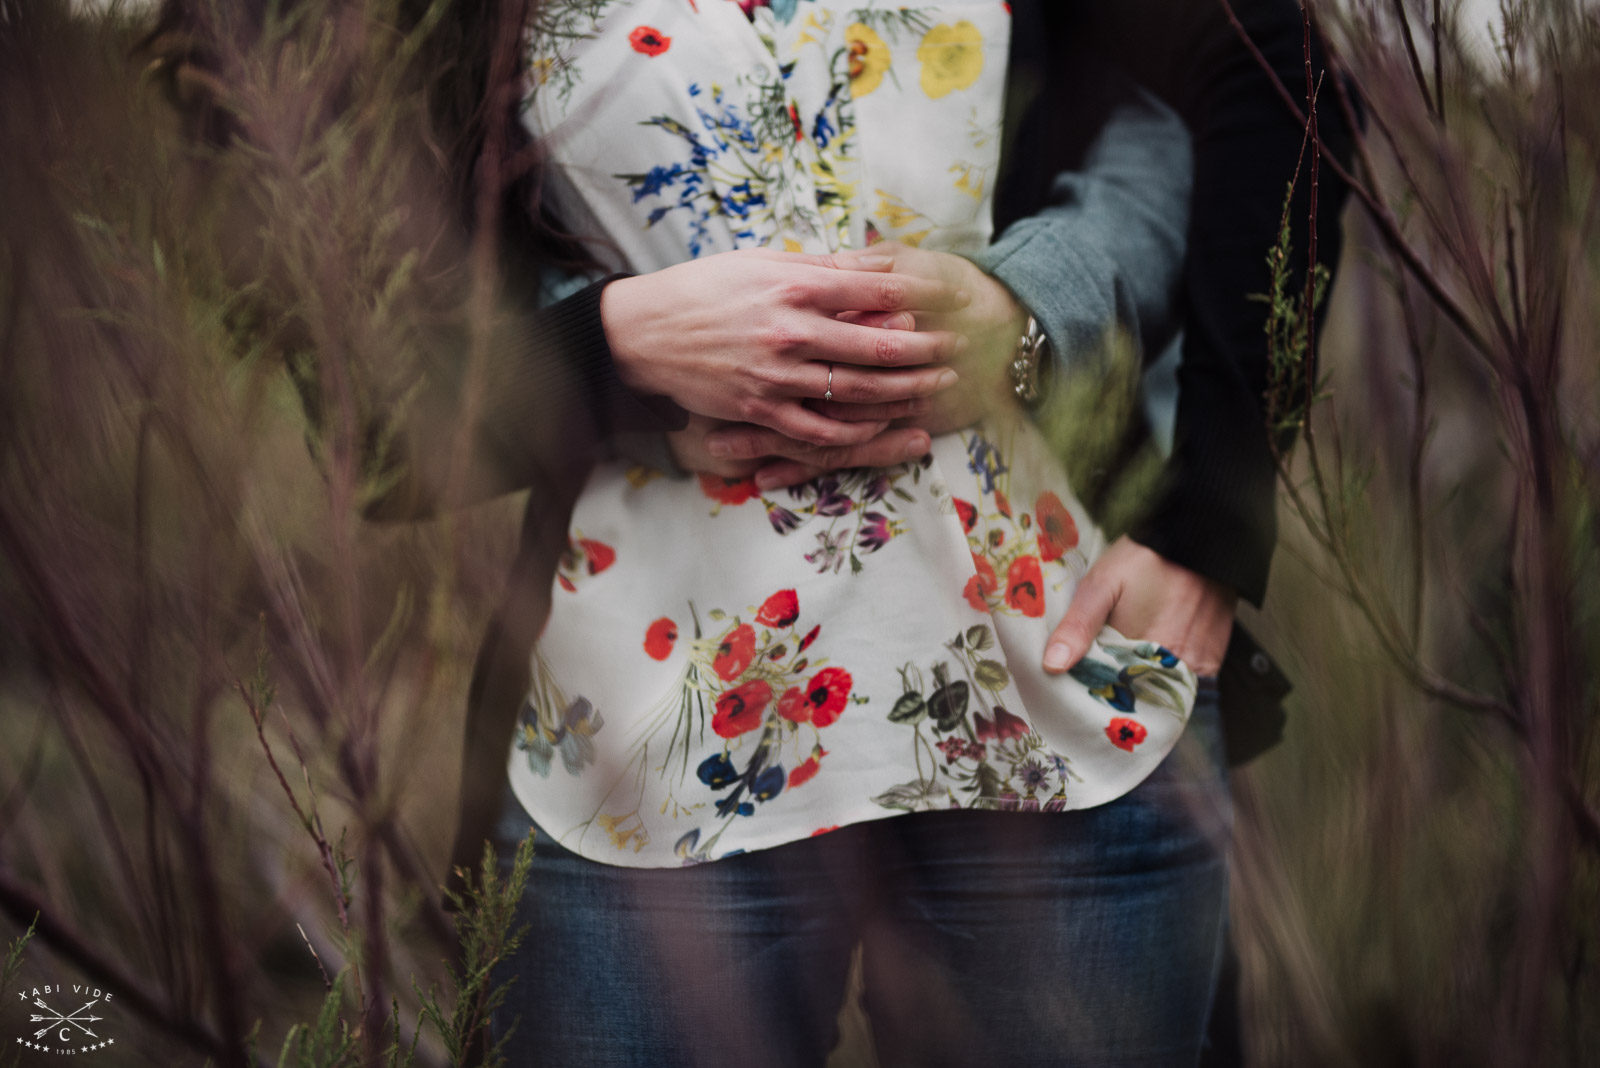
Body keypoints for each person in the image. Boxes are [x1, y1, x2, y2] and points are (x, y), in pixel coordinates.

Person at [147, 0, 1348, 1063]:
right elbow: (352, 348)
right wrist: (609, 348)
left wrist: (1203, 516)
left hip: (1060, 703)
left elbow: (1262, 67)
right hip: (644, 748)